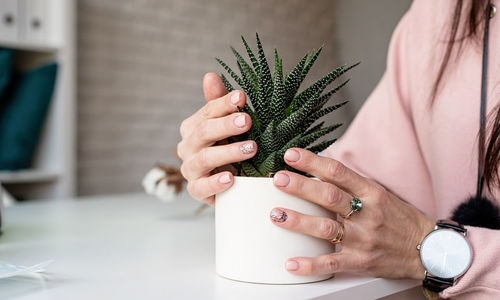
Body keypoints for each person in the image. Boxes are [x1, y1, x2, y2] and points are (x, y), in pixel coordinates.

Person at [177, 0, 499, 298]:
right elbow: (365, 186)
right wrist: (242, 174)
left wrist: (434, 249)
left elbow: (409, 235)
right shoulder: (438, 12)